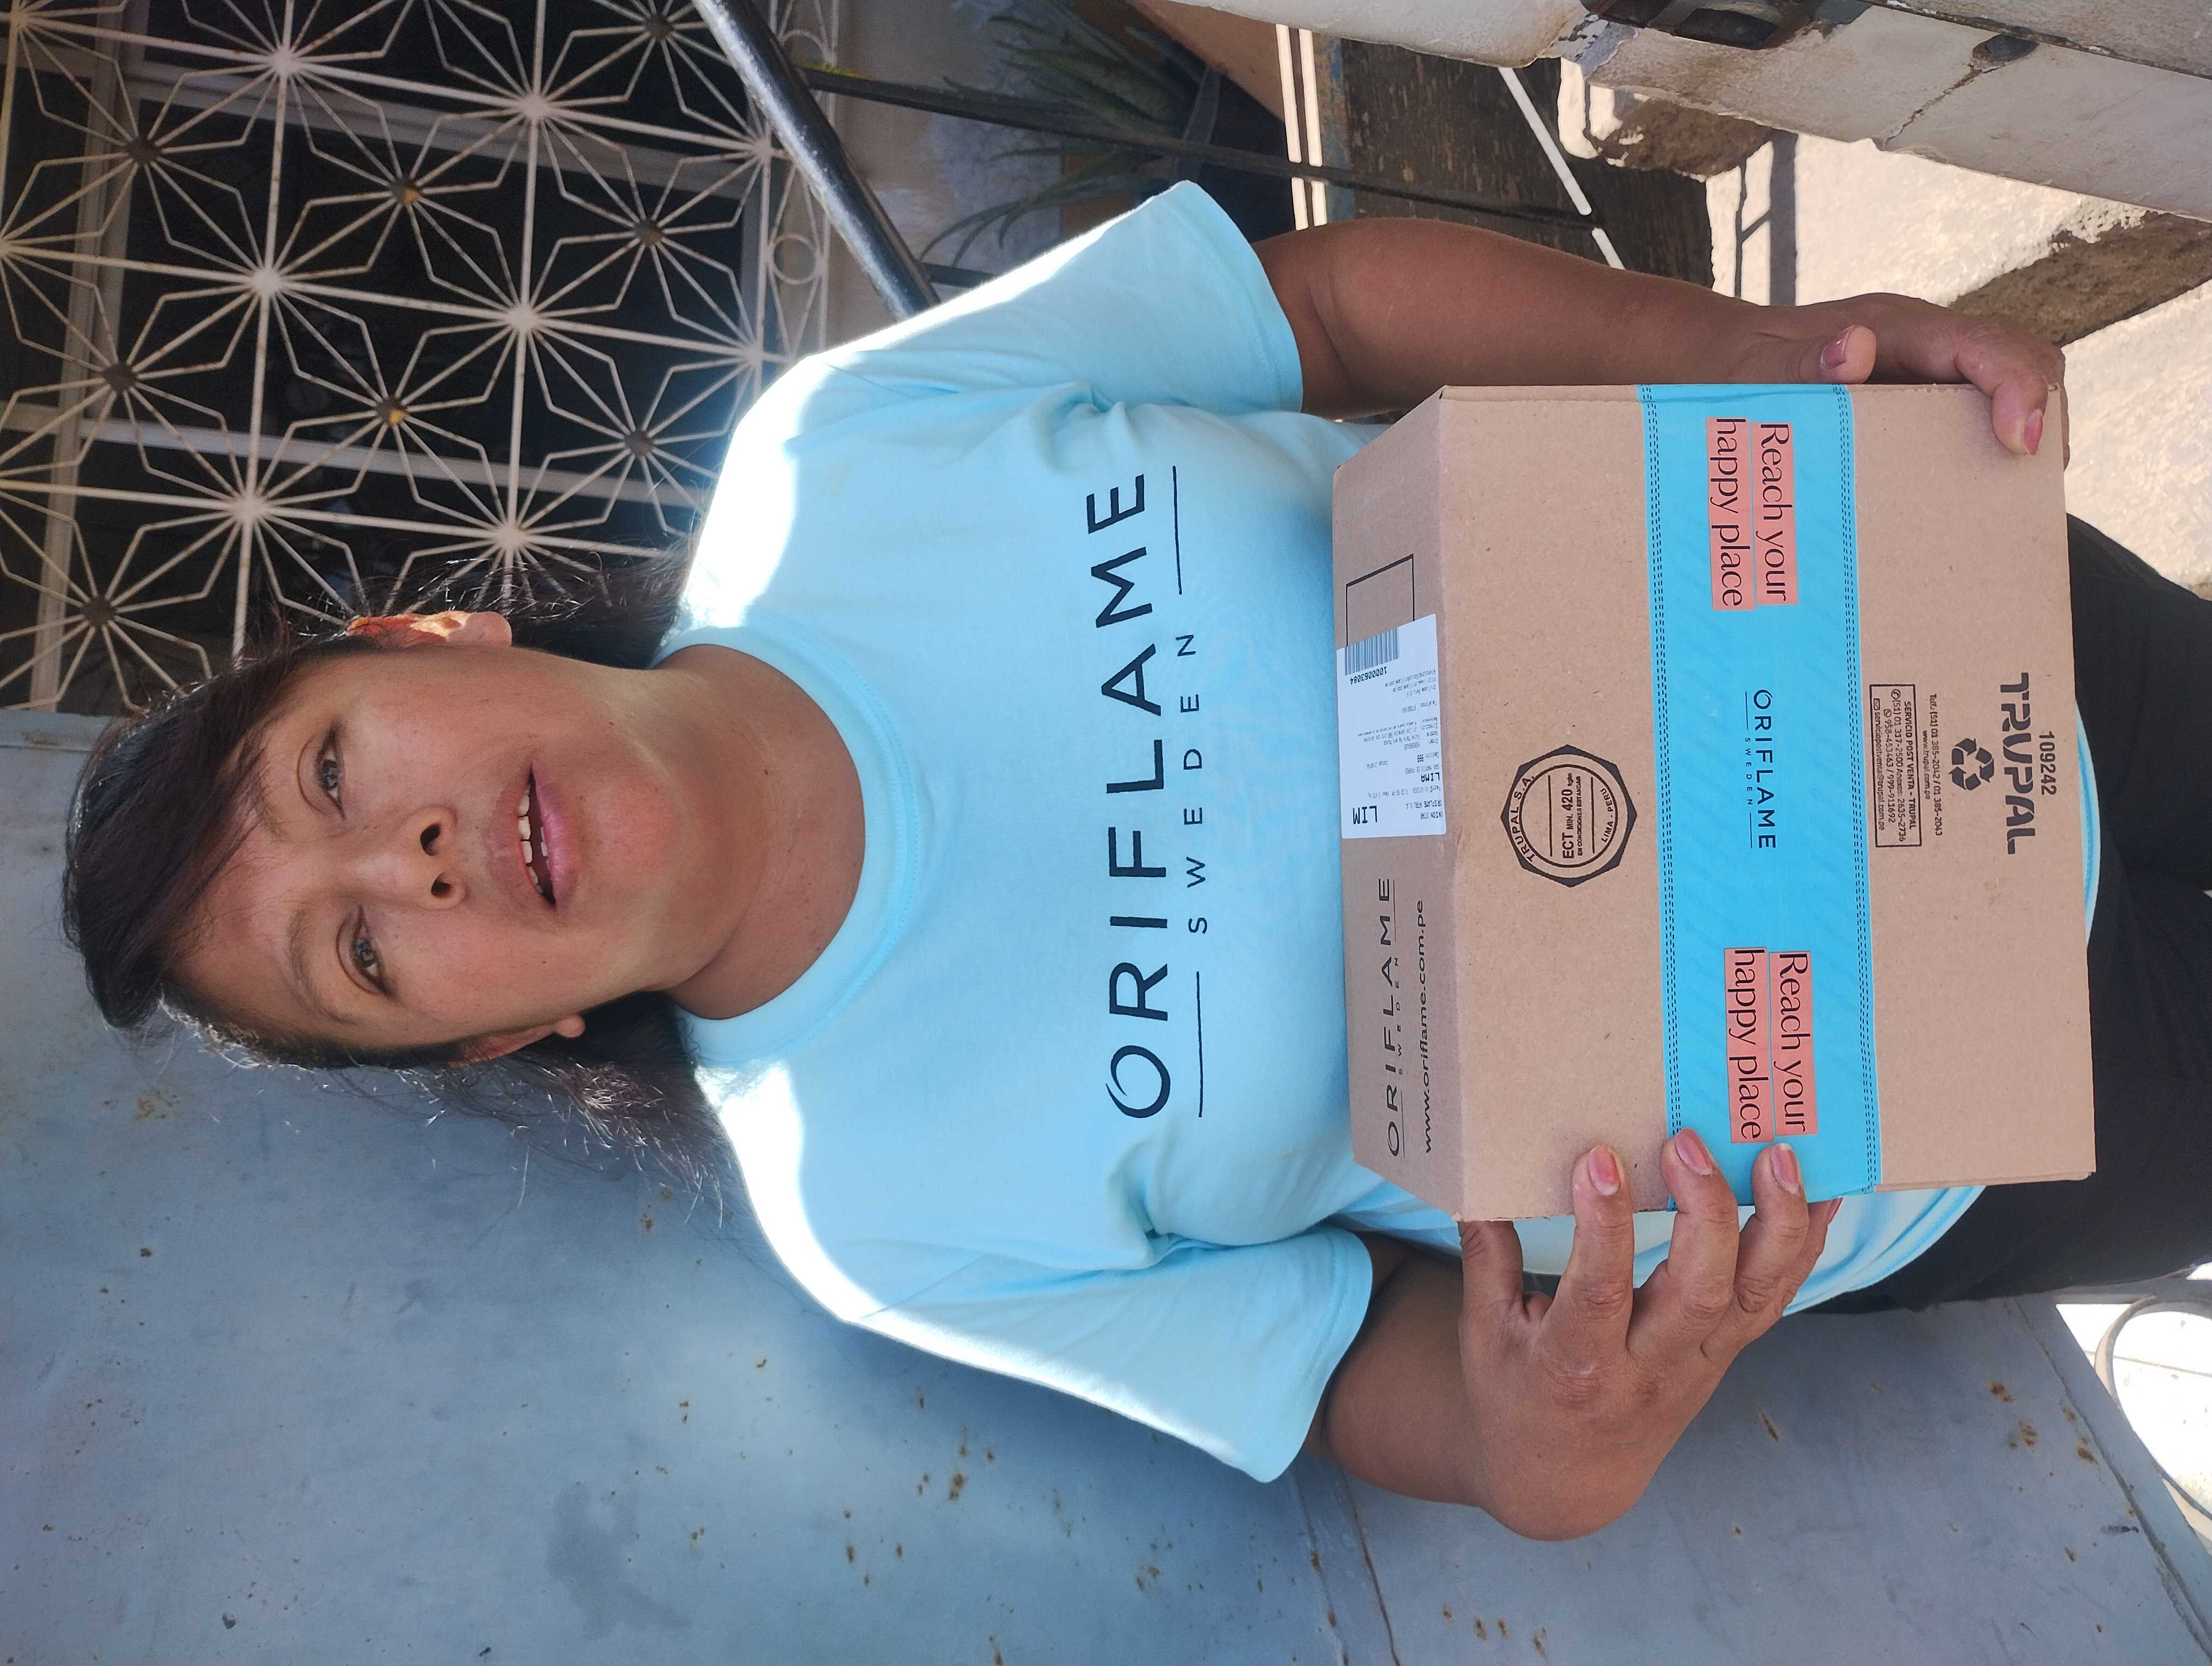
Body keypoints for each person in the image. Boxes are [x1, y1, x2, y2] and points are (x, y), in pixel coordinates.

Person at [61, 185, 2202, 1542]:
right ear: (492, 1036)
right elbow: (1347, 1376)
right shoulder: (875, 1219)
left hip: (1903, 638)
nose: (417, 863)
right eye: (360, 957)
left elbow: (1326, 313)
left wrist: (1763, 357)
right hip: (1938, 1128)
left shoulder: (839, 460)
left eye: (337, 774)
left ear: (429, 641)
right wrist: (1545, 1450)